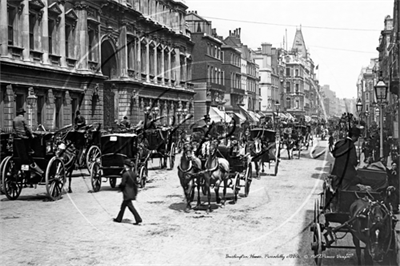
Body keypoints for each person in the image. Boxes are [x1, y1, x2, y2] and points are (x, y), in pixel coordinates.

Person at [114, 159, 142, 225]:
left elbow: (123, 184)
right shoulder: (134, 174)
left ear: (126, 166)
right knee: (123, 206)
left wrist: (119, 187)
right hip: (132, 192)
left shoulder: (125, 174)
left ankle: (138, 219)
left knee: (130, 207)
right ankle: (119, 218)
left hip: (127, 193)